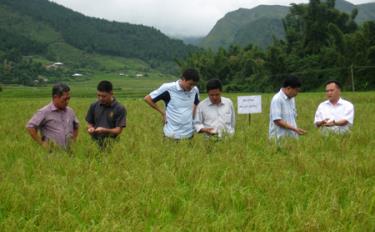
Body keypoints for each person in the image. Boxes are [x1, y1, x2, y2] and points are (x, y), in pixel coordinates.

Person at [144, 68, 200, 139]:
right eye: (190, 84)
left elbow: (196, 103)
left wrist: (194, 120)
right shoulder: (168, 88)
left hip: (189, 134)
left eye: (194, 85)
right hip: (171, 135)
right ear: (183, 79)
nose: (192, 87)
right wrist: (163, 113)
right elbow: (148, 99)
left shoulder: (195, 90)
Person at [26, 83, 79, 150]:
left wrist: (73, 141)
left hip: (69, 152)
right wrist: (42, 143)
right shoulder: (44, 111)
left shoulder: (70, 111)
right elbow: (30, 127)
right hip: (52, 154)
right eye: (64, 99)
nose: (67, 102)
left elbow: (76, 126)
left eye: (69, 99)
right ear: (55, 97)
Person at [86, 80, 126, 147]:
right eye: (98, 95)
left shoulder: (119, 108)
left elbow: (118, 130)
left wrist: (105, 130)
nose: (100, 98)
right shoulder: (94, 106)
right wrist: (90, 129)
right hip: (94, 144)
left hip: (113, 144)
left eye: (104, 96)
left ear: (111, 93)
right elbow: (90, 123)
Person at [269, 75, 306, 140]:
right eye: (296, 90)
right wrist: (294, 129)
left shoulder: (292, 99)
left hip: (292, 137)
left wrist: (295, 130)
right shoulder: (277, 99)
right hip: (279, 139)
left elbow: (293, 117)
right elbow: (277, 121)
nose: (297, 93)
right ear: (288, 88)